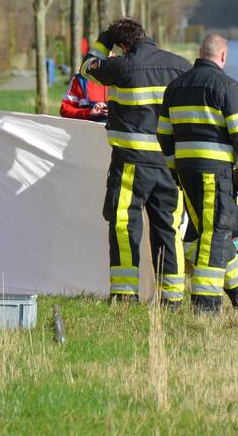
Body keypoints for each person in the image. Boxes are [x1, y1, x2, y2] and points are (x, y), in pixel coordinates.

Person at [80, 18, 191, 305]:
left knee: (124, 224)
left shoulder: (120, 66)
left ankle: (125, 295)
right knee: (168, 227)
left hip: (130, 164)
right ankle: (172, 297)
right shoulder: (180, 65)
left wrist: (104, 41)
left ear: (123, 45)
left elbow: (87, 67)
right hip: (170, 166)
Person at [157, 34, 238, 312]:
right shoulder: (227, 86)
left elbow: (163, 134)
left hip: (186, 173)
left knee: (211, 232)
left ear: (200, 53)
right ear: (223, 56)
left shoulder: (174, 87)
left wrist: (175, 168)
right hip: (215, 173)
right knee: (215, 233)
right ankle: (206, 303)